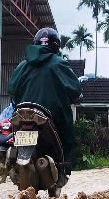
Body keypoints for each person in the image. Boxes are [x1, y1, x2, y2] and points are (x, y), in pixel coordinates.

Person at [6, 27, 82, 168]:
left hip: (21, 113)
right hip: (51, 115)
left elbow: (11, 88)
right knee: (67, 135)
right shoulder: (59, 63)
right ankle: (63, 168)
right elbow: (75, 89)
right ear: (56, 45)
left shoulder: (22, 65)